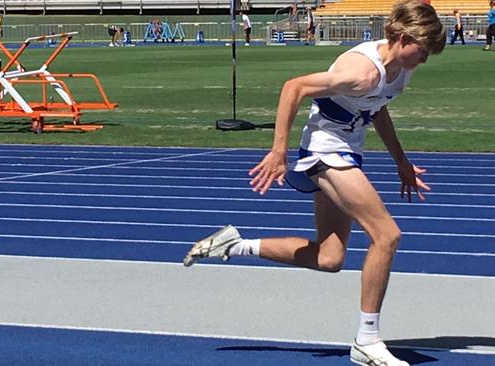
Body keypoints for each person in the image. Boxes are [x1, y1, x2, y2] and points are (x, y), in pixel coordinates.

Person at [183, 1, 445, 365]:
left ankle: (235, 245)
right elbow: (294, 87)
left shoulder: (399, 70)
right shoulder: (362, 71)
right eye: (423, 50)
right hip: (325, 151)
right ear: (402, 39)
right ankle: (367, 341)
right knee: (387, 235)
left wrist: (401, 161)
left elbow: (378, 108)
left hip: (346, 151)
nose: (426, 59)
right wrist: (278, 152)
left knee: (330, 257)